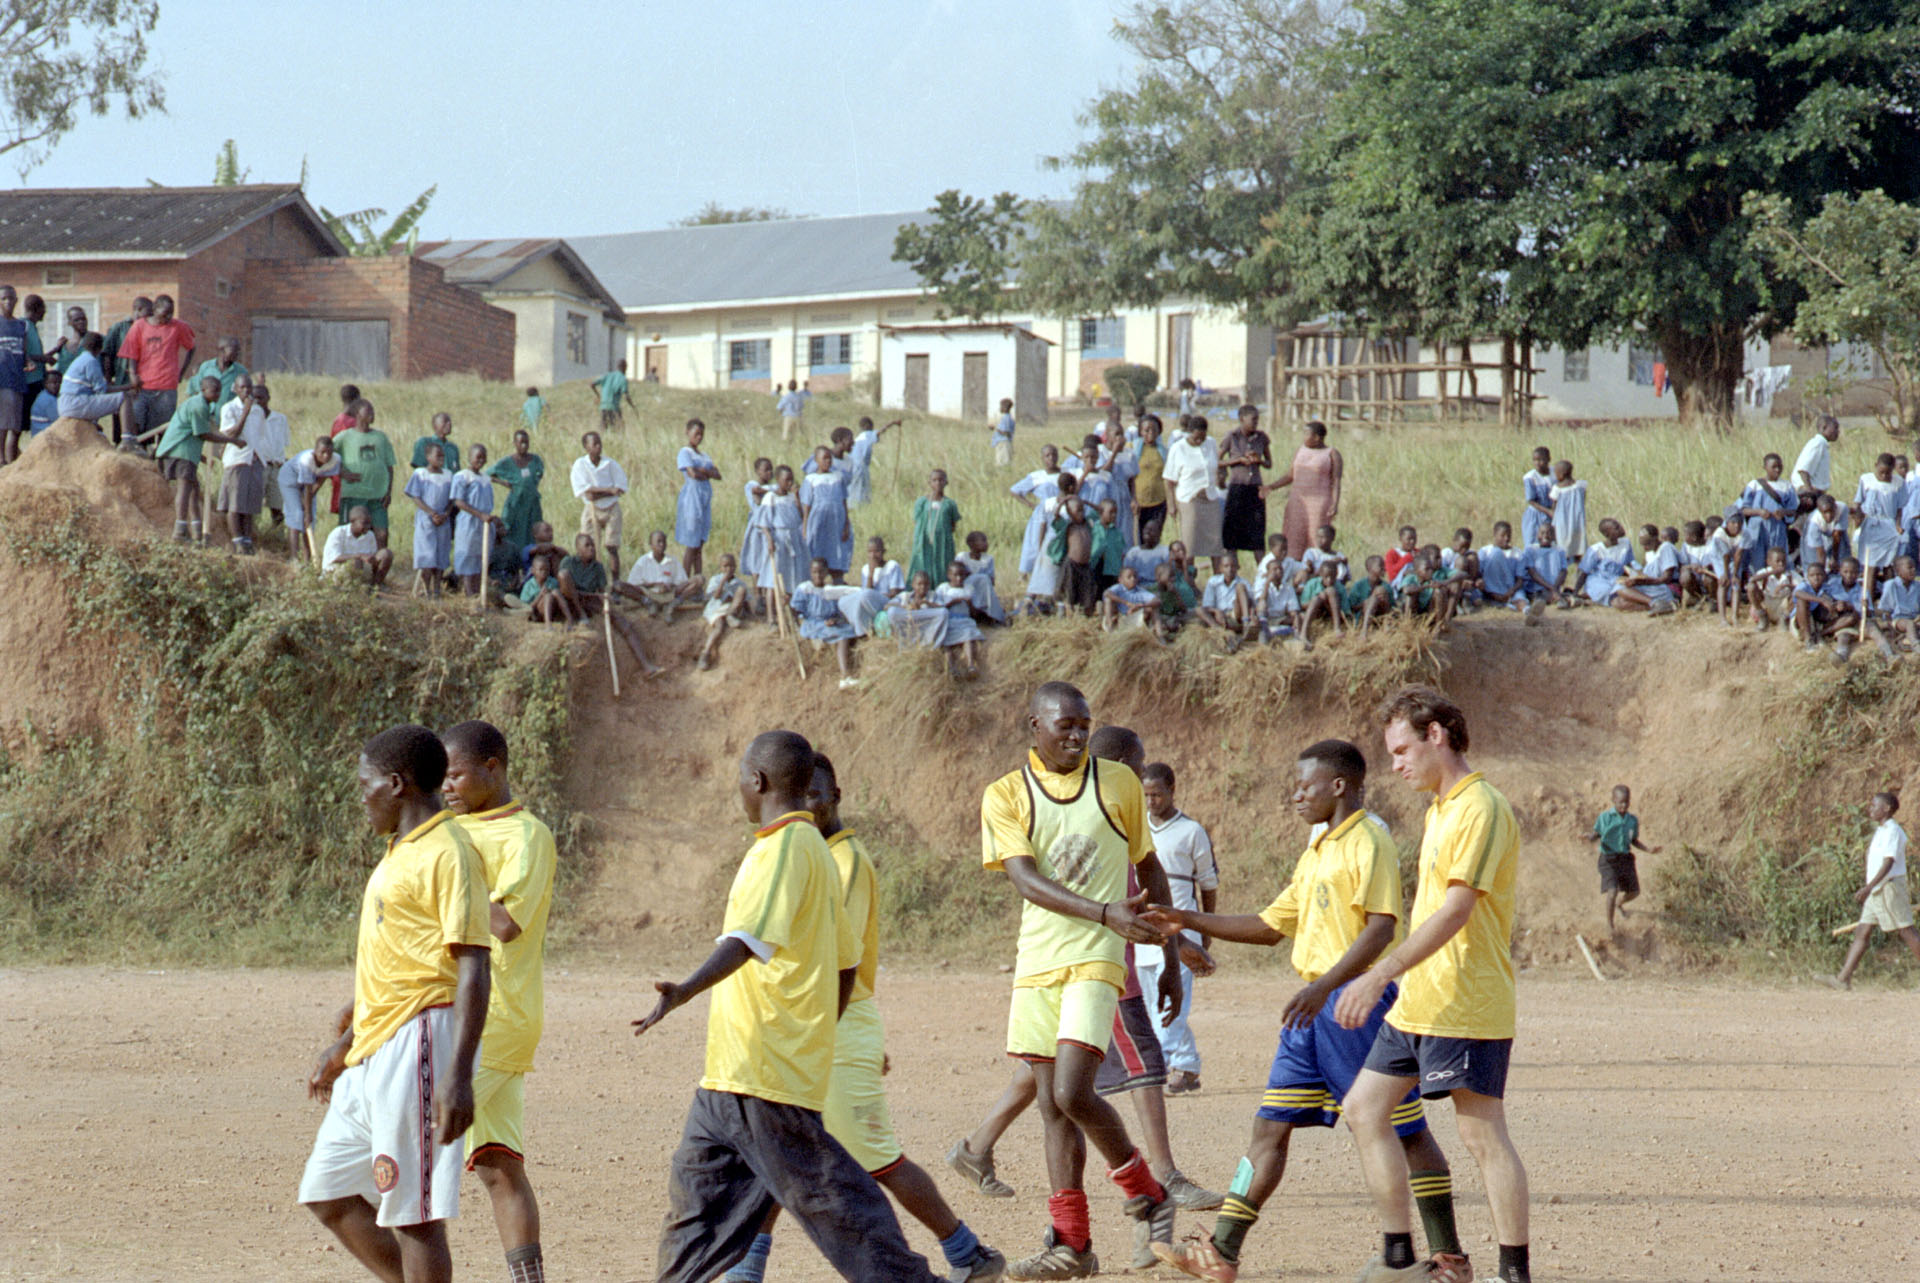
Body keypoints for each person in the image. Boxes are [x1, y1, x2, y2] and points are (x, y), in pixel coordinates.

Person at [1144, 739, 1465, 1283]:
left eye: (1304, 785)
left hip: (1355, 1003)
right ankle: (1222, 1252)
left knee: (1406, 1129)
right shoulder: (1319, 847)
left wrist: (1330, 988)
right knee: (1269, 1129)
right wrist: (1183, 918)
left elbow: (1381, 926)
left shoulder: (1370, 839)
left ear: (1338, 786)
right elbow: (1270, 926)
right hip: (1313, 1010)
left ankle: (1448, 1259)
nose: (1295, 794)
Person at [635, 729, 948, 1283]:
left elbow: (744, 941)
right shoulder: (815, 851)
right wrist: (820, 1032)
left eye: (740, 778)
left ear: (757, 781)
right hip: (730, 1073)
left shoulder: (783, 847)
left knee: (838, 1207)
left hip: (764, 1072)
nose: (739, 788)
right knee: (696, 1208)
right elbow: (846, 963)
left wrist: (684, 991)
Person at [726, 753, 1007, 1283]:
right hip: (820, 1026)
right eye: (800, 792)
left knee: (877, 1158)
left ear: (835, 796)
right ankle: (747, 1267)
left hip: (832, 1023)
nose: (808, 803)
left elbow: (840, 963)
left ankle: (968, 1253)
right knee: (779, 1145)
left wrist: (832, 1036)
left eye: (817, 793)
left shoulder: (844, 861)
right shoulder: (808, 853)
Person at [978, 684, 1181, 1279]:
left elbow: (1149, 868)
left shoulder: (1116, 782)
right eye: (1064, 724)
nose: (1075, 735)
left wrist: (1167, 955)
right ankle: (1073, 1245)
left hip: (1097, 955)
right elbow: (1023, 879)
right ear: (1033, 726)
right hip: (1038, 961)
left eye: (1084, 726)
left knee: (1071, 1091)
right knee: (1051, 1107)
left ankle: (1149, 1192)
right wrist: (1104, 910)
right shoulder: (1006, 794)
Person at [1334, 687, 1531, 1283]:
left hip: (1466, 1002)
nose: (1394, 765)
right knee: (1364, 1108)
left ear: (1436, 735)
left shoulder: (1480, 806)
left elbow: (1455, 910)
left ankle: (1512, 1273)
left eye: (1401, 750)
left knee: (1480, 1135)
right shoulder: (1439, 809)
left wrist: (1381, 971)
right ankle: (1401, 1257)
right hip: (1420, 1003)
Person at [298, 725, 492, 1283]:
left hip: (421, 1045)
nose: (362, 797)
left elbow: (474, 965)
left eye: (366, 786)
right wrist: (347, 1041)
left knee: (414, 1218)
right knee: (328, 1191)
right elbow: (402, 956)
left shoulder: (449, 852)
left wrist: (458, 1079)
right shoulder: (399, 853)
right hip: (375, 1052)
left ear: (396, 783)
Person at [442, 720, 557, 1283]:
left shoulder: (526, 836)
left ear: (493, 768)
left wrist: (455, 875)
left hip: (495, 1018)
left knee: (413, 1140)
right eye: (441, 776)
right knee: (496, 1164)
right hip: (463, 1016)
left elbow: (507, 924)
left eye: (457, 774)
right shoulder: (453, 831)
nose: (447, 786)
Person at [1135, 763, 1215, 1095]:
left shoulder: (1191, 831)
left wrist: (1207, 928)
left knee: (1172, 1008)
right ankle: (1188, 1067)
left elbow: (1208, 884)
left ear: (1172, 791)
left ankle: (1155, 1070)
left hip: (1182, 933)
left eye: (1158, 794)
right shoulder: (1137, 830)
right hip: (1143, 935)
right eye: (1147, 795)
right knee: (1155, 1005)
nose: (1152, 801)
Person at [1826, 791, 1920, 989]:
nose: (1870, 808)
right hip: (1877, 890)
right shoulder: (1881, 830)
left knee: (1906, 931)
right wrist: (1870, 887)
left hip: (1888, 888)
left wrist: (1869, 887)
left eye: (1874, 805)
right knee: (1863, 931)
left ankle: (1843, 978)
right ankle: (1843, 979)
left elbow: (1889, 861)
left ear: (1886, 809)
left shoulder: (1893, 830)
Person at [558, 533, 664, 678]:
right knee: (564, 576)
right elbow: (564, 586)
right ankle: (579, 615)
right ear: (578, 549)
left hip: (589, 601)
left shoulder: (598, 567)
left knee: (622, 623)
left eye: (593, 545)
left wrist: (605, 602)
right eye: (587, 545)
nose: (592, 548)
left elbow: (601, 592)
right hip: (570, 602)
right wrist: (584, 595)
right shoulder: (568, 562)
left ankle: (647, 666)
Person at [153, 375, 243, 542]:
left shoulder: (200, 404)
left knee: (194, 490)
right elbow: (203, 434)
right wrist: (233, 441)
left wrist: (202, 457)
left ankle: (196, 531)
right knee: (184, 489)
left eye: (219, 391)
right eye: (214, 390)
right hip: (180, 453)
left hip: (185, 451)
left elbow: (189, 433)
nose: (217, 394)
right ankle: (179, 531)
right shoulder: (198, 406)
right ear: (203, 390)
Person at [122, 292, 196, 449]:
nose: (168, 318)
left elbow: (191, 347)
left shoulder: (177, 327)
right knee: (136, 423)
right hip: (142, 386)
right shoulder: (140, 326)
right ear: (155, 310)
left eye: (171, 314)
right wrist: (133, 374)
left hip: (166, 387)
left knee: (162, 428)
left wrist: (181, 373)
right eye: (164, 314)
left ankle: (157, 459)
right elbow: (131, 353)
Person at [1587, 784, 1661, 936]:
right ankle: (1610, 925)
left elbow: (1633, 840)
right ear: (1613, 800)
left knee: (1634, 892)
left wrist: (1648, 850)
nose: (1624, 805)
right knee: (1612, 891)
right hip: (1608, 858)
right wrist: (1589, 837)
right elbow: (1596, 834)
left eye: (1627, 801)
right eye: (1620, 802)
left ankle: (1619, 905)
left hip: (1625, 859)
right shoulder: (1605, 817)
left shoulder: (1632, 820)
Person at [213, 376, 269, 553]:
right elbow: (232, 434)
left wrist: (259, 456)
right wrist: (244, 412)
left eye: (249, 387)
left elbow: (260, 436)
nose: (246, 391)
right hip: (237, 460)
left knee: (250, 505)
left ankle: (247, 539)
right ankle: (237, 540)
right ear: (235, 389)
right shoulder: (229, 408)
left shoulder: (258, 411)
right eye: (242, 387)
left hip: (254, 459)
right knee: (235, 504)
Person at [337, 399, 399, 551]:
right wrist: (342, 472)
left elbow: (389, 466)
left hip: (378, 497)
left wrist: (388, 492)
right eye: (368, 411)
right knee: (352, 534)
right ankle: (349, 569)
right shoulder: (345, 437)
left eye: (373, 411)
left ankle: (378, 569)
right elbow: (325, 455)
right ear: (358, 414)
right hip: (355, 496)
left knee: (382, 534)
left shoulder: (380, 437)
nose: (372, 414)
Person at [793, 557, 862, 688]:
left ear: (826, 572)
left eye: (821, 572)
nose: (818, 575)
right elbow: (797, 611)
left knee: (851, 630)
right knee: (843, 635)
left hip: (828, 624)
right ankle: (844, 676)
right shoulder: (805, 589)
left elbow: (837, 611)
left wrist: (834, 620)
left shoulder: (831, 591)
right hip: (812, 625)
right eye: (814, 572)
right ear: (810, 572)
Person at [280, 436, 352, 563]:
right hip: (290, 480)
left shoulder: (335, 459)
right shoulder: (306, 460)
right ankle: (294, 558)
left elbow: (321, 479)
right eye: (322, 452)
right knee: (297, 515)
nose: (326, 456)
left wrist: (309, 509)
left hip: (310, 483)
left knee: (310, 521)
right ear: (315, 452)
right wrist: (306, 512)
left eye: (329, 452)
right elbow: (307, 489)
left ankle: (309, 560)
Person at [1164, 416, 1224, 560]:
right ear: (1189, 433)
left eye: (1202, 438)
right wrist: (1171, 505)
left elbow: (1215, 468)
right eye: (1196, 438)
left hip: (1210, 498)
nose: (1199, 441)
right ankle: (1188, 578)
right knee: (1189, 545)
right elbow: (1168, 480)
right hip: (1189, 499)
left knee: (1215, 545)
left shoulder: (1211, 443)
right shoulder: (1178, 448)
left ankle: (1218, 580)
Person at [570, 431, 628, 579]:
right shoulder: (580, 465)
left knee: (611, 547)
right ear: (586, 447)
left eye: (599, 443)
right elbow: (587, 494)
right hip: (591, 508)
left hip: (612, 509)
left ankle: (616, 583)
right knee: (589, 548)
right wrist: (609, 490)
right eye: (594, 444)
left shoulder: (610, 464)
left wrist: (598, 492)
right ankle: (593, 582)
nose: (598, 447)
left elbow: (620, 489)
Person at [1217, 405, 1272, 556]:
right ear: (1242, 419)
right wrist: (1238, 460)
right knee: (1231, 534)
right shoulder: (1232, 437)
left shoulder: (1262, 438)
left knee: (1257, 534)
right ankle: (1232, 569)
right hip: (1237, 487)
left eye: (1257, 419)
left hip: (1255, 488)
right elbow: (1216, 461)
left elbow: (1269, 464)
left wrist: (1258, 460)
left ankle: (1262, 573)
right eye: (1253, 419)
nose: (1256, 423)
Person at [450, 445, 503, 597]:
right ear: (469, 457)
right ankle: (467, 593)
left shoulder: (485, 478)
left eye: (483, 457)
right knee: (467, 554)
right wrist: (479, 514)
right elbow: (458, 502)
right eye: (477, 456)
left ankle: (479, 592)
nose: (480, 460)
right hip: (469, 521)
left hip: (484, 523)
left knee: (481, 556)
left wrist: (490, 518)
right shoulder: (462, 476)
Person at [1853, 453, 1903, 606]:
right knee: (1870, 564)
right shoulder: (1866, 479)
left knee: (1889, 564)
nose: (1884, 475)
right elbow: (1858, 503)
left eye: (1888, 473)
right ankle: (1868, 602)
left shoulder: (1898, 483)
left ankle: (1888, 602)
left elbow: (1900, 507)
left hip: (1889, 525)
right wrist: (1858, 520)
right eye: (1881, 472)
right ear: (1875, 466)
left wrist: (1898, 525)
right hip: (1871, 524)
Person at [406, 443, 455, 596]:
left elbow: (452, 499)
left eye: (442, 456)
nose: (441, 458)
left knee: (441, 555)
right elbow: (416, 496)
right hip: (426, 520)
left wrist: (445, 514)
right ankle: (426, 589)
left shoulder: (448, 475)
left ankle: (437, 590)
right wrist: (432, 513)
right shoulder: (421, 474)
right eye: (437, 455)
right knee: (427, 556)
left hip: (443, 520)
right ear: (428, 457)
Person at [674, 418, 721, 578]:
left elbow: (718, 474)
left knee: (700, 544)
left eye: (701, 434)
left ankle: (698, 581)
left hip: (704, 500)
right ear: (688, 432)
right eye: (696, 434)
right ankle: (685, 581)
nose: (699, 437)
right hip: (692, 500)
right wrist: (707, 473)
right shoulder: (685, 452)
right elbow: (692, 474)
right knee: (691, 543)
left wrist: (704, 471)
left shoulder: (705, 455)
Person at [800, 443, 853, 582]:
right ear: (816, 460)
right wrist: (805, 528)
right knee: (817, 550)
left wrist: (846, 524)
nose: (828, 461)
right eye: (824, 458)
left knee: (837, 552)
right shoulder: (810, 479)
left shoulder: (838, 476)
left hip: (837, 523)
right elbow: (806, 507)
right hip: (819, 523)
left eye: (830, 458)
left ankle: (838, 582)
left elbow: (843, 501)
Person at [756, 465, 807, 607]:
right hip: (778, 539)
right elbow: (763, 523)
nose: (790, 483)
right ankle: (772, 616)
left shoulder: (791, 497)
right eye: (786, 480)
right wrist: (769, 540)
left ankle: (791, 611)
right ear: (778, 480)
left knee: (792, 575)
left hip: (793, 538)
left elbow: (800, 517)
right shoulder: (770, 497)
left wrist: (797, 497)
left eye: (791, 480)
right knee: (773, 578)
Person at [487, 430, 545, 552]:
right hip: (516, 504)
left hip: (532, 504)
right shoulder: (508, 462)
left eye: (526, 442)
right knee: (513, 532)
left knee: (534, 532)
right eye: (520, 442)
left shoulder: (535, 460)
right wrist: (504, 482)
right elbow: (488, 474)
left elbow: (539, 474)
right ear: (514, 443)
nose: (524, 445)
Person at [56, 331, 130, 427]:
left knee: (94, 400)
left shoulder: (80, 359)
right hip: (75, 404)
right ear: (100, 349)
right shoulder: (91, 361)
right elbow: (103, 390)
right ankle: (128, 437)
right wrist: (129, 386)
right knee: (124, 398)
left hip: (64, 404)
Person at [1738, 453, 1795, 577]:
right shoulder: (1755, 485)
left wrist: (1783, 513)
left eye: (1780, 466)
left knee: (1777, 558)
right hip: (1757, 528)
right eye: (1773, 467)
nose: (1777, 470)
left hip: (1777, 528)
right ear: (1765, 467)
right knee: (1756, 558)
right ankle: (1757, 586)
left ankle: (1777, 585)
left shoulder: (1787, 486)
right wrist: (1758, 512)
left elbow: (1793, 509)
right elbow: (1743, 509)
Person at [622, 528, 703, 615]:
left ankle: (674, 603)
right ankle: (648, 603)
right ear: (651, 544)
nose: (662, 544)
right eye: (659, 542)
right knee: (620, 585)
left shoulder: (672, 561)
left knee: (699, 579)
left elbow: (682, 582)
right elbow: (633, 584)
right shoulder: (643, 561)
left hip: (670, 594)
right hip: (649, 594)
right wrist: (653, 584)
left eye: (664, 542)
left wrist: (670, 586)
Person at [932, 560, 988, 677]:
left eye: (962, 575)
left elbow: (975, 613)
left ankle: (970, 665)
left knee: (968, 637)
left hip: (964, 621)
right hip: (949, 621)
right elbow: (937, 608)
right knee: (945, 642)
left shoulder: (968, 588)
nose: (959, 578)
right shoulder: (943, 589)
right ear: (949, 575)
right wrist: (952, 602)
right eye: (955, 575)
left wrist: (969, 604)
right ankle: (952, 669)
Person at [697, 552, 752, 670]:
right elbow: (715, 596)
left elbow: (745, 601)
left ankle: (730, 616)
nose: (728, 569)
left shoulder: (740, 583)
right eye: (725, 566)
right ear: (720, 567)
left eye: (731, 566)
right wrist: (723, 581)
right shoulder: (715, 579)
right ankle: (705, 653)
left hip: (732, 609)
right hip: (717, 608)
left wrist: (749, 613)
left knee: (741, 590)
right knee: (719, 627)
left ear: (735, 567)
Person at [910, 468, 961, 586]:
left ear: (946, 482)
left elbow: (953, 525)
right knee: (922, 565)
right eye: (934, 480)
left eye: (941, 480)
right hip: (924, 543)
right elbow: (917, 522)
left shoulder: (950, 504)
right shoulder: (922, 502)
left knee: (942, 565)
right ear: (929, 483)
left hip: (943, 543)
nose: (938, 483)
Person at [324, 506, 395, 586]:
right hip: (336, 572)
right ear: (352, 521)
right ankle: (353, 589)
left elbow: (372, 558)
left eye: (369, 523)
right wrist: (359, 556)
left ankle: (375, 586)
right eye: (364, 523)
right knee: (356, 561)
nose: (368, 527)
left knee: (386, 554)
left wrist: (372, 560)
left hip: (360, 569)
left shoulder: (370, 535)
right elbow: (334, 558)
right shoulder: (338, 533)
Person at [0, 286, 30, 465]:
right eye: (4, 299)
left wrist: (28, 362)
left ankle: (11, 460)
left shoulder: (21, 325)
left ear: (16, 301)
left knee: (15, 424)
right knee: (3, 422)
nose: (8, 302)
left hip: (18, 378)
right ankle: (1, 459)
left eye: (11, 298)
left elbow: (23, 351)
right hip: (2, 378)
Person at [1201, 553, 1257, 648]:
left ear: (1238, 567)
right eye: (1226, 566)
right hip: (1220, 617)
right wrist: (1216, 611)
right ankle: (1219, 631)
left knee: (1240, 587)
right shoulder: (1213, 581)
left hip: (1236, 615)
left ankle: (1246, 623)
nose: (1230, 569)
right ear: (1220, 568)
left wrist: (1251, 615)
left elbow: (1251, 603)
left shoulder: (1243, 582)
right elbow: (1206, 605)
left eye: (1233, 566)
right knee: (1199, 610)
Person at [844, 416, 895, 507]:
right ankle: (860, 507)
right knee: (862, 489)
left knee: (854, 488)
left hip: (852, 467)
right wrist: (892, 423)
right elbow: (879, 432)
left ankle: (853, 506)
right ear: (867, 426)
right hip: (860, 467)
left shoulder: (858, 438)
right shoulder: (866, 435)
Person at [1133, 416, 1169, 546]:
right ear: (1140, 432)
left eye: (1154, 429)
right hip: (1139, 503)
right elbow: (1130, 476)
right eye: (1146, 430)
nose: (1150, 433)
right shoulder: (1133, 449)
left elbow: (1167, 476)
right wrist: (1133, 499)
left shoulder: (1163, 451)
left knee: (1155, 536)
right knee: (1139, 538)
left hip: (1159, 502)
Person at [1792, 414, 1840, 508]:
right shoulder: (1818, 443)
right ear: (1824, 427)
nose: (1838, 432)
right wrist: (1809, 493)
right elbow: (1803, 470)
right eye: (1835, 428)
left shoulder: (1822, 444)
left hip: (1815, 493)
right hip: (1808, 492)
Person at [192, 337, 248, 409]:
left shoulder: (241, 371)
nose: (237, 352)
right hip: (206, 414)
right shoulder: (206, 367)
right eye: (234, 349)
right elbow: (197, 391)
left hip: (229, 416)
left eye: (238, 350)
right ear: (222, 350)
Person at [1547, 461, 1587, 561]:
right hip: (1578, 520)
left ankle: (1564, 562)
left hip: (1562, 521)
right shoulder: (1580, 485)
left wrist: (1552, 514)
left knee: (1562, 542)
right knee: (1578, 544)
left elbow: (1554, 505)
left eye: (1556, 473)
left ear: (1561, 474)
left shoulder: (1557, 489)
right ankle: (1579, 563)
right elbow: (1583, 499)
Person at [1101, 565, 1160, 632]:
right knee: (1108, 600)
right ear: (1120, 580)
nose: (1133, 579)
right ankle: (1110, 626)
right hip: (1118, 617)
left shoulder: (1140, 591)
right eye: (1129, 577)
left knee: (1153, 607)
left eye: (1135, 577)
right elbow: (1106, 593)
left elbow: (1157, 600)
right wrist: (1126, 603)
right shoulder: (1118, 588)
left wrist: (1140, 605)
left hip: (1133, 618)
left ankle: (1159, 634)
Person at [520, 551, 572, 624]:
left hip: (553, 610)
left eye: (547, 570)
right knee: (547, 596)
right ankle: (548, 624)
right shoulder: (529, 585)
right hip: (537, 613)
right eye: (541, 569)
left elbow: (560, 597)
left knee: (555, 592)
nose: (544, 572)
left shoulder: (552, 581)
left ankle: (569, 618)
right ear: (533, 570)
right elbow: (526, 607)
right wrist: (540, 595)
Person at [1519, 446, 1554, 548]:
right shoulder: (1530, 477)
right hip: (1536, 515)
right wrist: (1548, 511)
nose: (1538, 463)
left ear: (1549, 459)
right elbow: (1531, 501)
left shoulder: (1555, 472)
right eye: (1535, 460)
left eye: (1541, 460)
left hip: (1552, 514)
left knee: (1551, 544)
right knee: (1533, 545)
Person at [591, 359, 635, 429]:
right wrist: (633, 406)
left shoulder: (608, 375)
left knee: (604, 427)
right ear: (625, 368)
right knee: (619, 428)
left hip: (604, 406)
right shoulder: (623, 379)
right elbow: (626, 396)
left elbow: (592, 384)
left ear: (617, 367)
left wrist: (598, 395)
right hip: (614, 407)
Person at [992, 397, 1017, 466]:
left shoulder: (1006, 418)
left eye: (1001, 406)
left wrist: (995, 428)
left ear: (1005, 407)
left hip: (1003, 442)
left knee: (1003, 461)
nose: (1000, 408)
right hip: (1003, 442)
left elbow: (1006, 432)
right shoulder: (1007, 418)